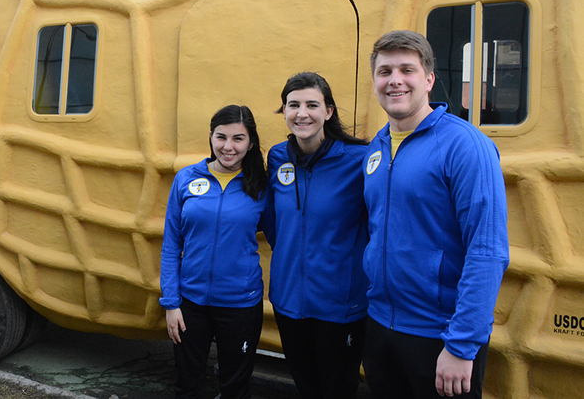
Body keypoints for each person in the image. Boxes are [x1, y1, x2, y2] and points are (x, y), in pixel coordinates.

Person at [362, 30, 509, 399]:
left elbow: (487, 250)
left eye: (406, 69)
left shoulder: (466, 145)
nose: (394, 80)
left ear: (428, 79)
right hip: (381, 328)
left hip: (440, 336)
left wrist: (461, 345)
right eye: (384, 71)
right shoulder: (376, 149)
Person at [262, 72, 369, 399]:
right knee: (307, 386)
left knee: (338, 389)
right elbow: (273, 222)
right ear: (284, 111)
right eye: (293, 105)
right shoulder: (278, 157)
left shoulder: (359, 160)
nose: (302, 113)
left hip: (340, 306)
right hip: (288, 301)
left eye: (312, 104)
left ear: (329, 112)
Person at [160, 104, 268, 399]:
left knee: (234, 388)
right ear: (211, 137)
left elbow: (281, 237)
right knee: (187, 385)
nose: (228, 147)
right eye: (221, 137)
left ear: (251, 142)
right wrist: (171, 303)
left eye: (238, 139)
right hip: (190, 304)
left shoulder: (260, 186)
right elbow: (171, 245)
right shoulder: (186, 179)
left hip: (241, 306)